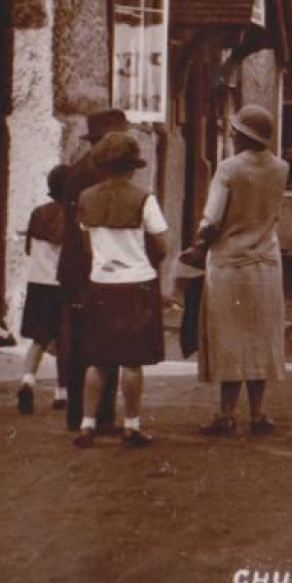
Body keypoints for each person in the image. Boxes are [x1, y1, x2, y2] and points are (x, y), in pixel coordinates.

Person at [194, 106, 291, 438]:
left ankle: (226, 414)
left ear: (242, 135)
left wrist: (197, 245)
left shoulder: (229, 169)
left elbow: (211, 220)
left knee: (230, 338)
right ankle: (259, 412)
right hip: (266, 262)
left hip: (229, 263)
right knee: (261, 336)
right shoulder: (281, 168)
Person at [71, 132, 168, 448]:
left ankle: (87, 424)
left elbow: (87, 247)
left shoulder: (86, 198)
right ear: (131, 167)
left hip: (100, 283)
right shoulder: (143, 199)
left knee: (97, 360)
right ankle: (132, 424)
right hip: (136, 285)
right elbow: (162, 245)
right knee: (131, 360)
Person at [56, 107, 131, 433]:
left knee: (96, 343)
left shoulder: (85, 172)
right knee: (92, 344)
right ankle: (89, 416)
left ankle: (95, 415)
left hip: (89, 267)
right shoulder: (88, 178)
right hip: (87, 270)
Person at [16, 165, 70, 415]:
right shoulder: (72, 215)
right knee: (64, 341)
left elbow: (29, 248)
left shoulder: (38, 213)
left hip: (37, 282)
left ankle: (27, 380)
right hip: (62, 285)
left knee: (39, 339)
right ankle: (62, 392)